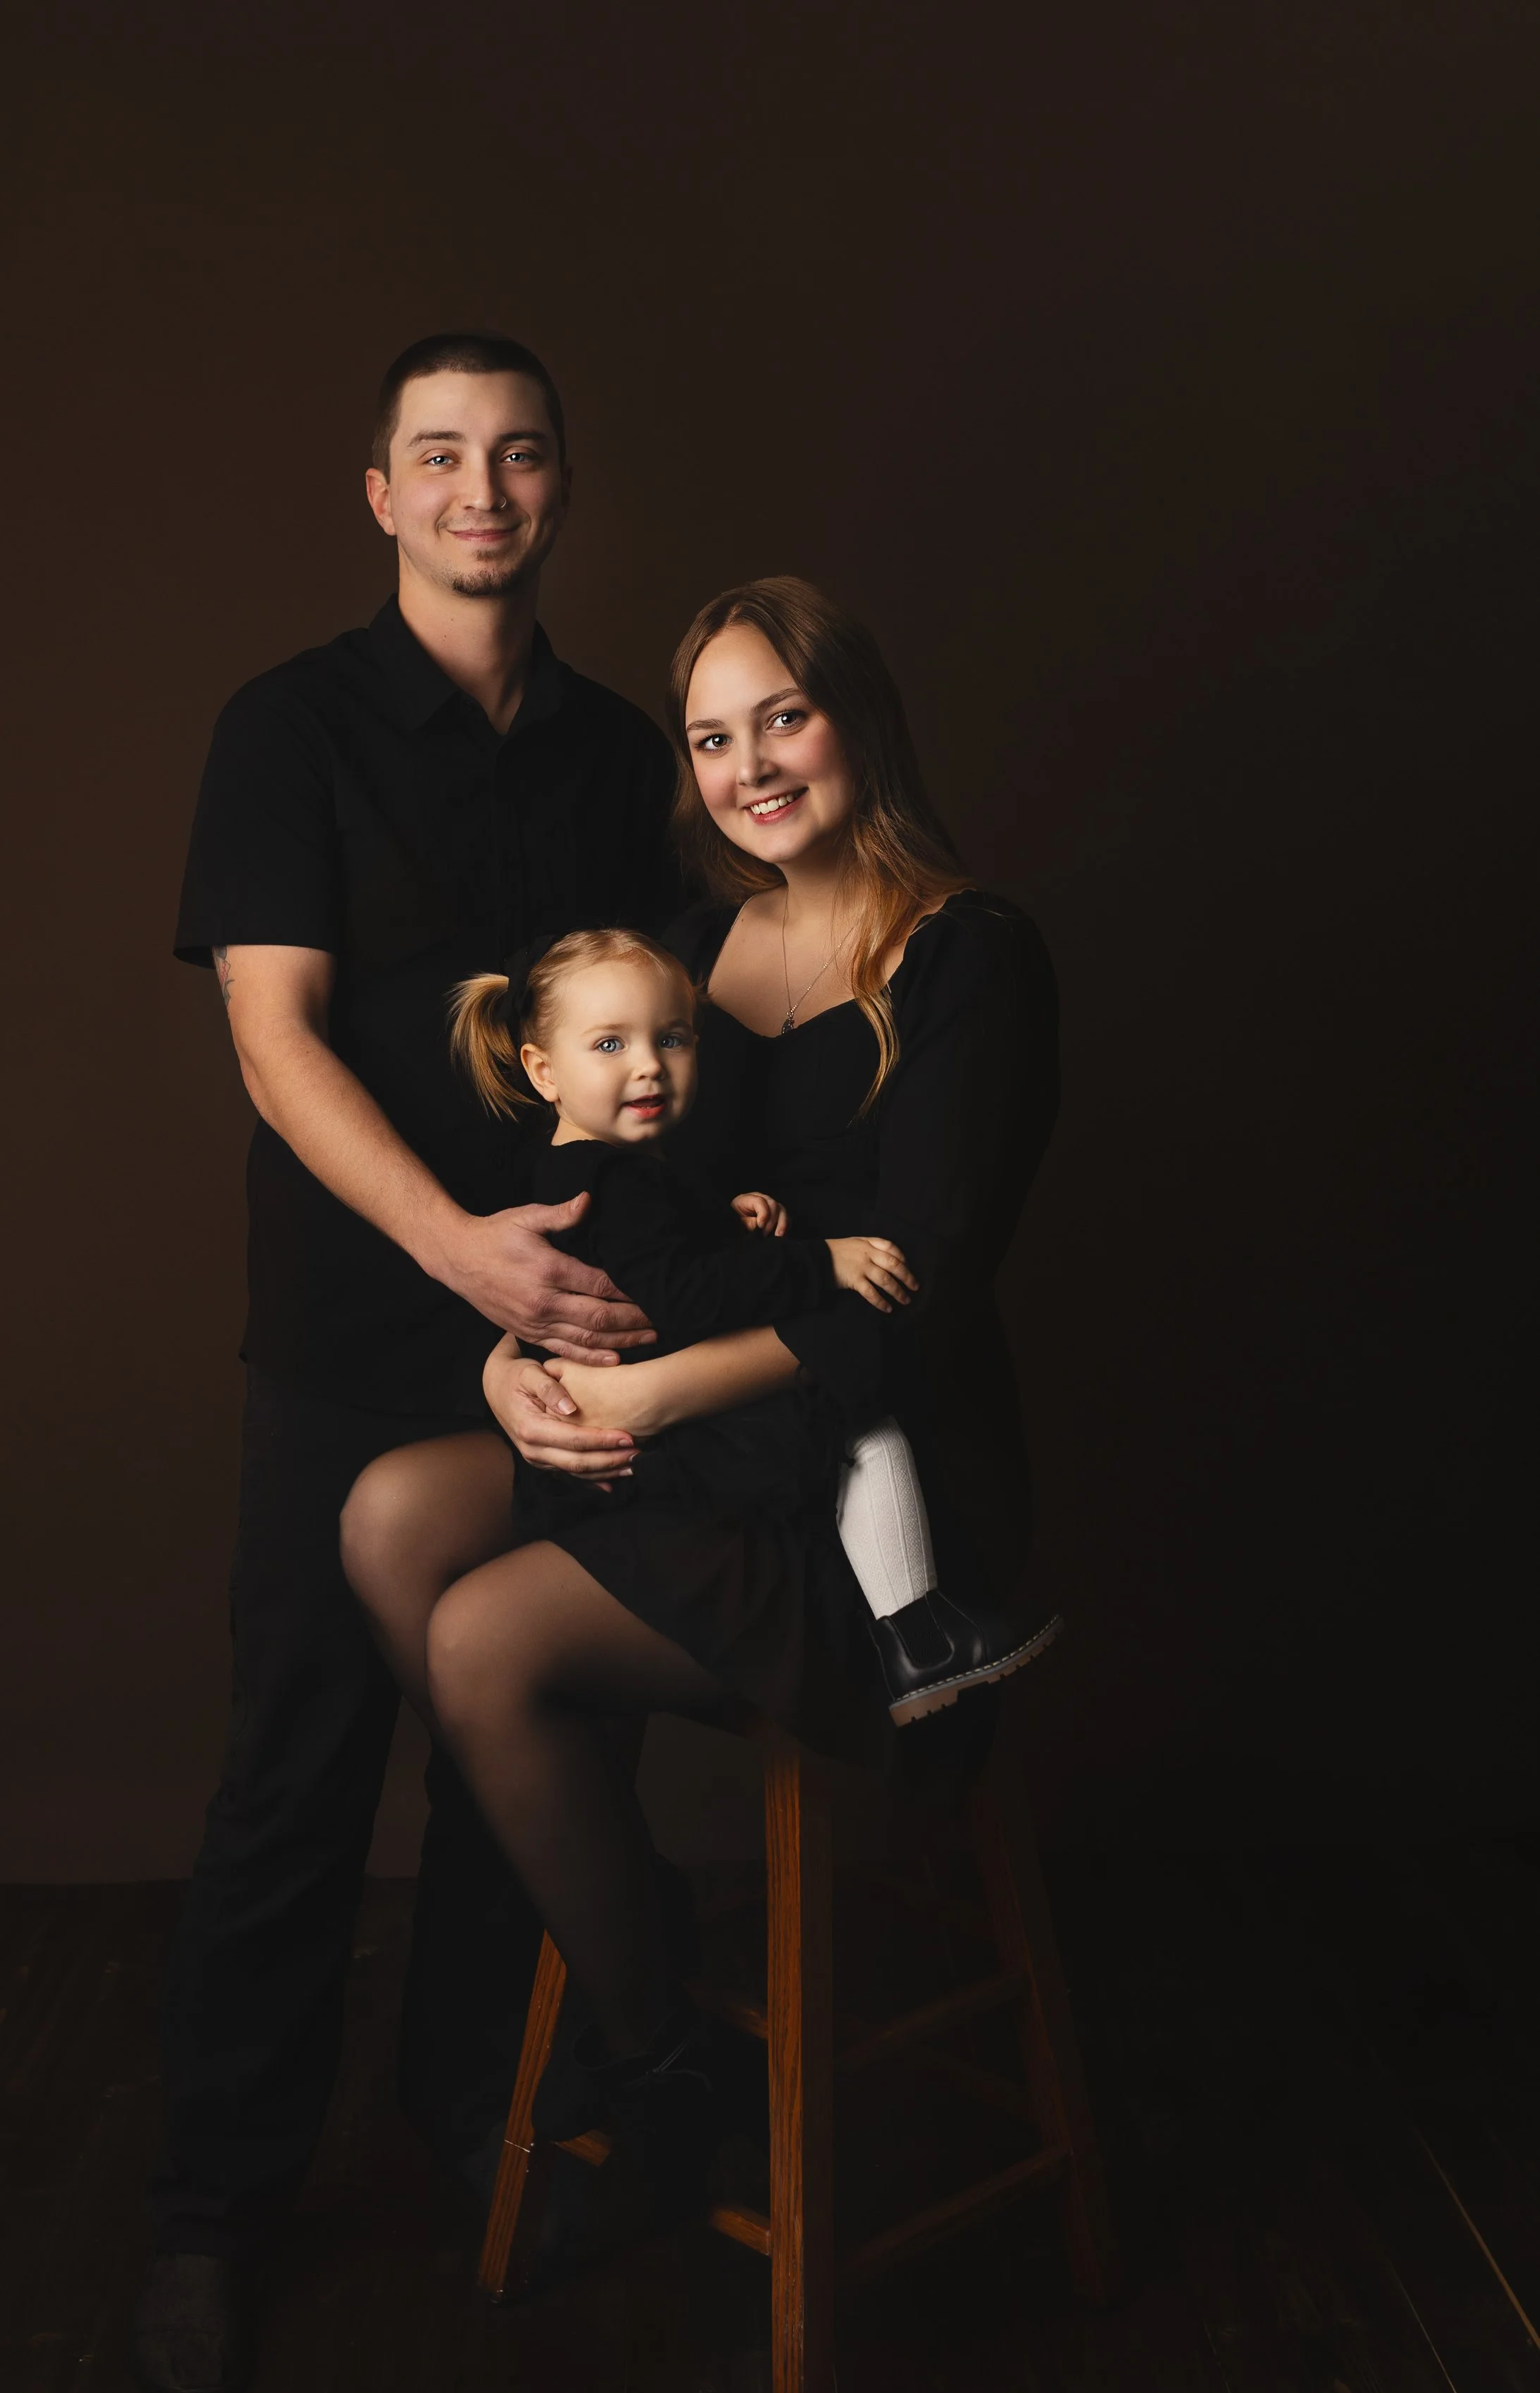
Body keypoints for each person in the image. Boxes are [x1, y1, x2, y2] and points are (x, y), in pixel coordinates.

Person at [341, 576, 1059, 2184]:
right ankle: (619, 1909)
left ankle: (660, 2049)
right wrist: (513, 1362)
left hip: (872, 1474)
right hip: (688, 1438)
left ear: (858, 718)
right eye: (714, 737)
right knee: (391, 1515)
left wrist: (645, 1400)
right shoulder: (686, 950)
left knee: (484, 1636)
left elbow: (921, 1303)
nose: (751, 766)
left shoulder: (971, 955)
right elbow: (607, 1208)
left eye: (783, 718)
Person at [134, 331, 686, 2393]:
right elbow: (272, 1040)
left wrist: (599, 1305)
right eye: (439, 456)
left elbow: (659, 1051)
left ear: (559, 489)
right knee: (296, 1765)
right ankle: (211, 2211)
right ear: (380, 494)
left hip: (565, 1339)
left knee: (519, 1746)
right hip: (355, 1334)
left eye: (518, 454)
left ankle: (478, 2113)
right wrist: (457, 1252)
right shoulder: (284, 728)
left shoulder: (617, 753)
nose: (481, 490)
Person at [445, 926, 1059, 1716]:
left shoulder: (597, 1165)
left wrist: (722, 1218)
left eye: (672, 1039)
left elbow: (654, 1255)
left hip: (651, 1422)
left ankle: (919, 1641)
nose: (648, 1065)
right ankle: (919, 1639)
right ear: (543, 1072)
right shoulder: (617, 1179)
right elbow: (688, 1296)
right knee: (862, 1434)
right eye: (610, 1044)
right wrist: (824, 1261)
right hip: (665, 1443)